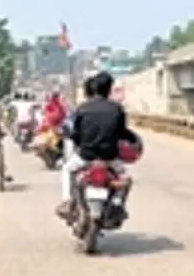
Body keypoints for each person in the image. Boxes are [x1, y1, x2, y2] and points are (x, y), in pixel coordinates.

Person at [56, 71, 135, 218]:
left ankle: (66, 201)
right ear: (109, 89)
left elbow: (75, 132)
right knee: (126, 178)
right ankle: (117, 204)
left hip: (86, 156)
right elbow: (122, 133)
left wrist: (78, 141)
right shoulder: (117, 109)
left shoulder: (82, 108)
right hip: (109, 158)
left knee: (67, 169)